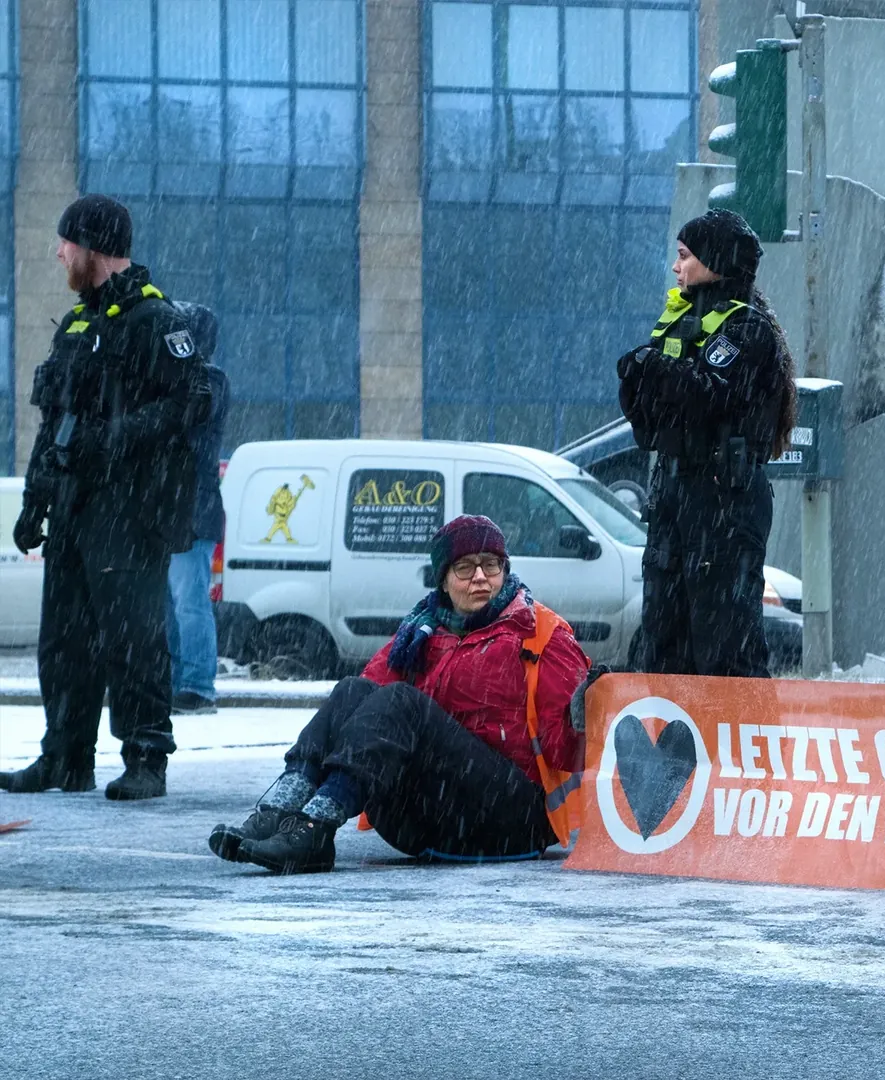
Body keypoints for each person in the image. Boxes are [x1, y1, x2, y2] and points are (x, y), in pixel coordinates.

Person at [207, 516, 590, 873]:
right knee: (352, 691)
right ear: (443, 580)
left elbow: (568, 754)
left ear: (504, 570)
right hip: (426, 818)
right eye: (464, 567)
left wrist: (581, 713)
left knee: (403, 701)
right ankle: (280, 810)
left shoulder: (540, 634)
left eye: (490, 565)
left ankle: (316, 825)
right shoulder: (419, 634)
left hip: (510, 819)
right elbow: (359, 713)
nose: (480, 577)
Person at [2, 195, 212, 801]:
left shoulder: (154, 320)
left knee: (132, 637)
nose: (58, 253)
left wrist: (113, 438)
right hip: (72, 507)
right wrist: (35, 499)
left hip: (128, 508)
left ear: (91, 245)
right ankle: (65, 757)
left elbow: (191, 403)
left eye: (65, 243)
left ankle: (146, 757)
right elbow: (55, 424)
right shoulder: (76, 324)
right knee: (64, 639)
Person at [616, 208, 797, 678]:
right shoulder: (679, 320)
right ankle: (665, 743)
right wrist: (638, 378)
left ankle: (737, 747)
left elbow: (709, 395)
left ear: (714, 260)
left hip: (723, 499)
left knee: (723, 641)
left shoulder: (747, 329)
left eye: (684, 257)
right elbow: (652, 420)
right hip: (675, 491)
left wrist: (656, 373)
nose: (676, 269)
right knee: (662, 632)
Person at [166, 302, 227, 716]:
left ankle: (197, 684)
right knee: (169, 602)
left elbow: (185, 424)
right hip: (173, 506)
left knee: (188, 600)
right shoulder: (192, 378)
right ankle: (175, 680)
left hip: (193, 506)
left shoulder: (210, 381)